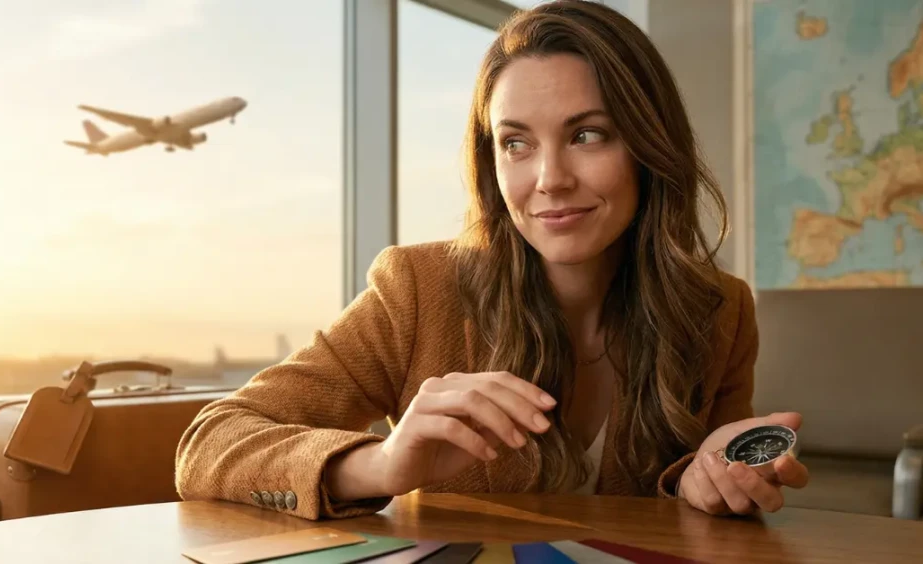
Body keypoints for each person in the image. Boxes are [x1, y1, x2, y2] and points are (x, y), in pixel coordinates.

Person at [174, 0, 809, 521]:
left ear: (649, 146)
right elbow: (209, 443)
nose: (549, 179)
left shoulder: (720, 310)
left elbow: (700, 496)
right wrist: (382, 464)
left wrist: (707, 483)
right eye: (516, 143)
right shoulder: (417, 289)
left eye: (587, 135)